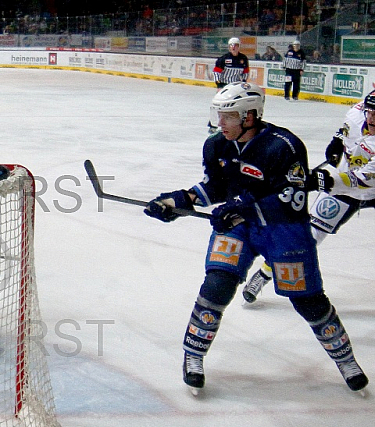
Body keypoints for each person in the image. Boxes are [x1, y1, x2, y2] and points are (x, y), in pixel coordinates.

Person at [143, 81, 368, 394]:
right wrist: (178, 200)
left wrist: (239, 206)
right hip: (239, 226)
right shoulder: (216, 144)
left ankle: (345, 360)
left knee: (308, 300)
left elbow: (291, 198)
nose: (220, 123)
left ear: (249, 116)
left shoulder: (283, 145)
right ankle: (193, 356)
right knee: (217, 285)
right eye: (219, 115)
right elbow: (216, 187)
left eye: (228, 116)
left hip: (283, 229)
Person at [243, 91, 375, 302]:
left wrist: (326, 181)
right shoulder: (356, 113)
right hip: (345, 187)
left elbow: (364, 178)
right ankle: (265, 273)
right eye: (370, 112)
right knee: (308, 235)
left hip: (358, 182)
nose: (371, 119)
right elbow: (345, 129)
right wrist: (337, 140)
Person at [208, 37, 249, 133]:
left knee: (236, 106)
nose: (234, 47)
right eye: (231, 45)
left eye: (236, 45)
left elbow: (245, 72)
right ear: (229, 47)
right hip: (224, 86)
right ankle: (213, 125)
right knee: (218, 106)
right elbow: (216, 73)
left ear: (239, 47)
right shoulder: (224, 59)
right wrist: (219, 85)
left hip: (236, 87)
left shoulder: (243, 59)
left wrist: (243, 84)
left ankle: (236, 124)